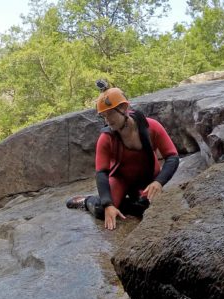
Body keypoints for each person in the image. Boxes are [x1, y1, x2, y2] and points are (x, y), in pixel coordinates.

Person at [65, 87, 179, 231]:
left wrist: (159, 182)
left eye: (110, 114)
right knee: (102, 210)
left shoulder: (152, 127)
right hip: (121, 179)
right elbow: (101, 173)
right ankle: (87, 200)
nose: (108, 120)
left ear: (124, 108)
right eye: (104, 116)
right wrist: (108, 204)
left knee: (146, 207)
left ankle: (133, 201)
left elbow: (172, 157)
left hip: (148, 178)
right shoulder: (106, 138)